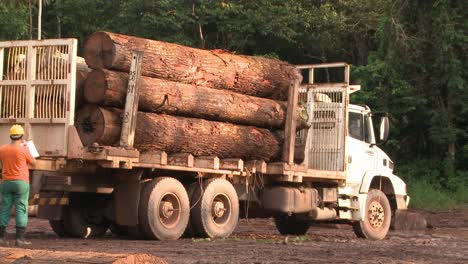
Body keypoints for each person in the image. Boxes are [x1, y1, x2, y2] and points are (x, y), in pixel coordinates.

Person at [0, 125, 36, 246]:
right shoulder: (23, 149)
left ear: (10, 136)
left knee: (5, 208)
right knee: (21, 208)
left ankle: (0, 238)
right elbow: (34, 163)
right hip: (21, 182)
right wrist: (26, 147)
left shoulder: (2, 149)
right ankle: (20, 240)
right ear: (21, 137)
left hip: (6, 182)